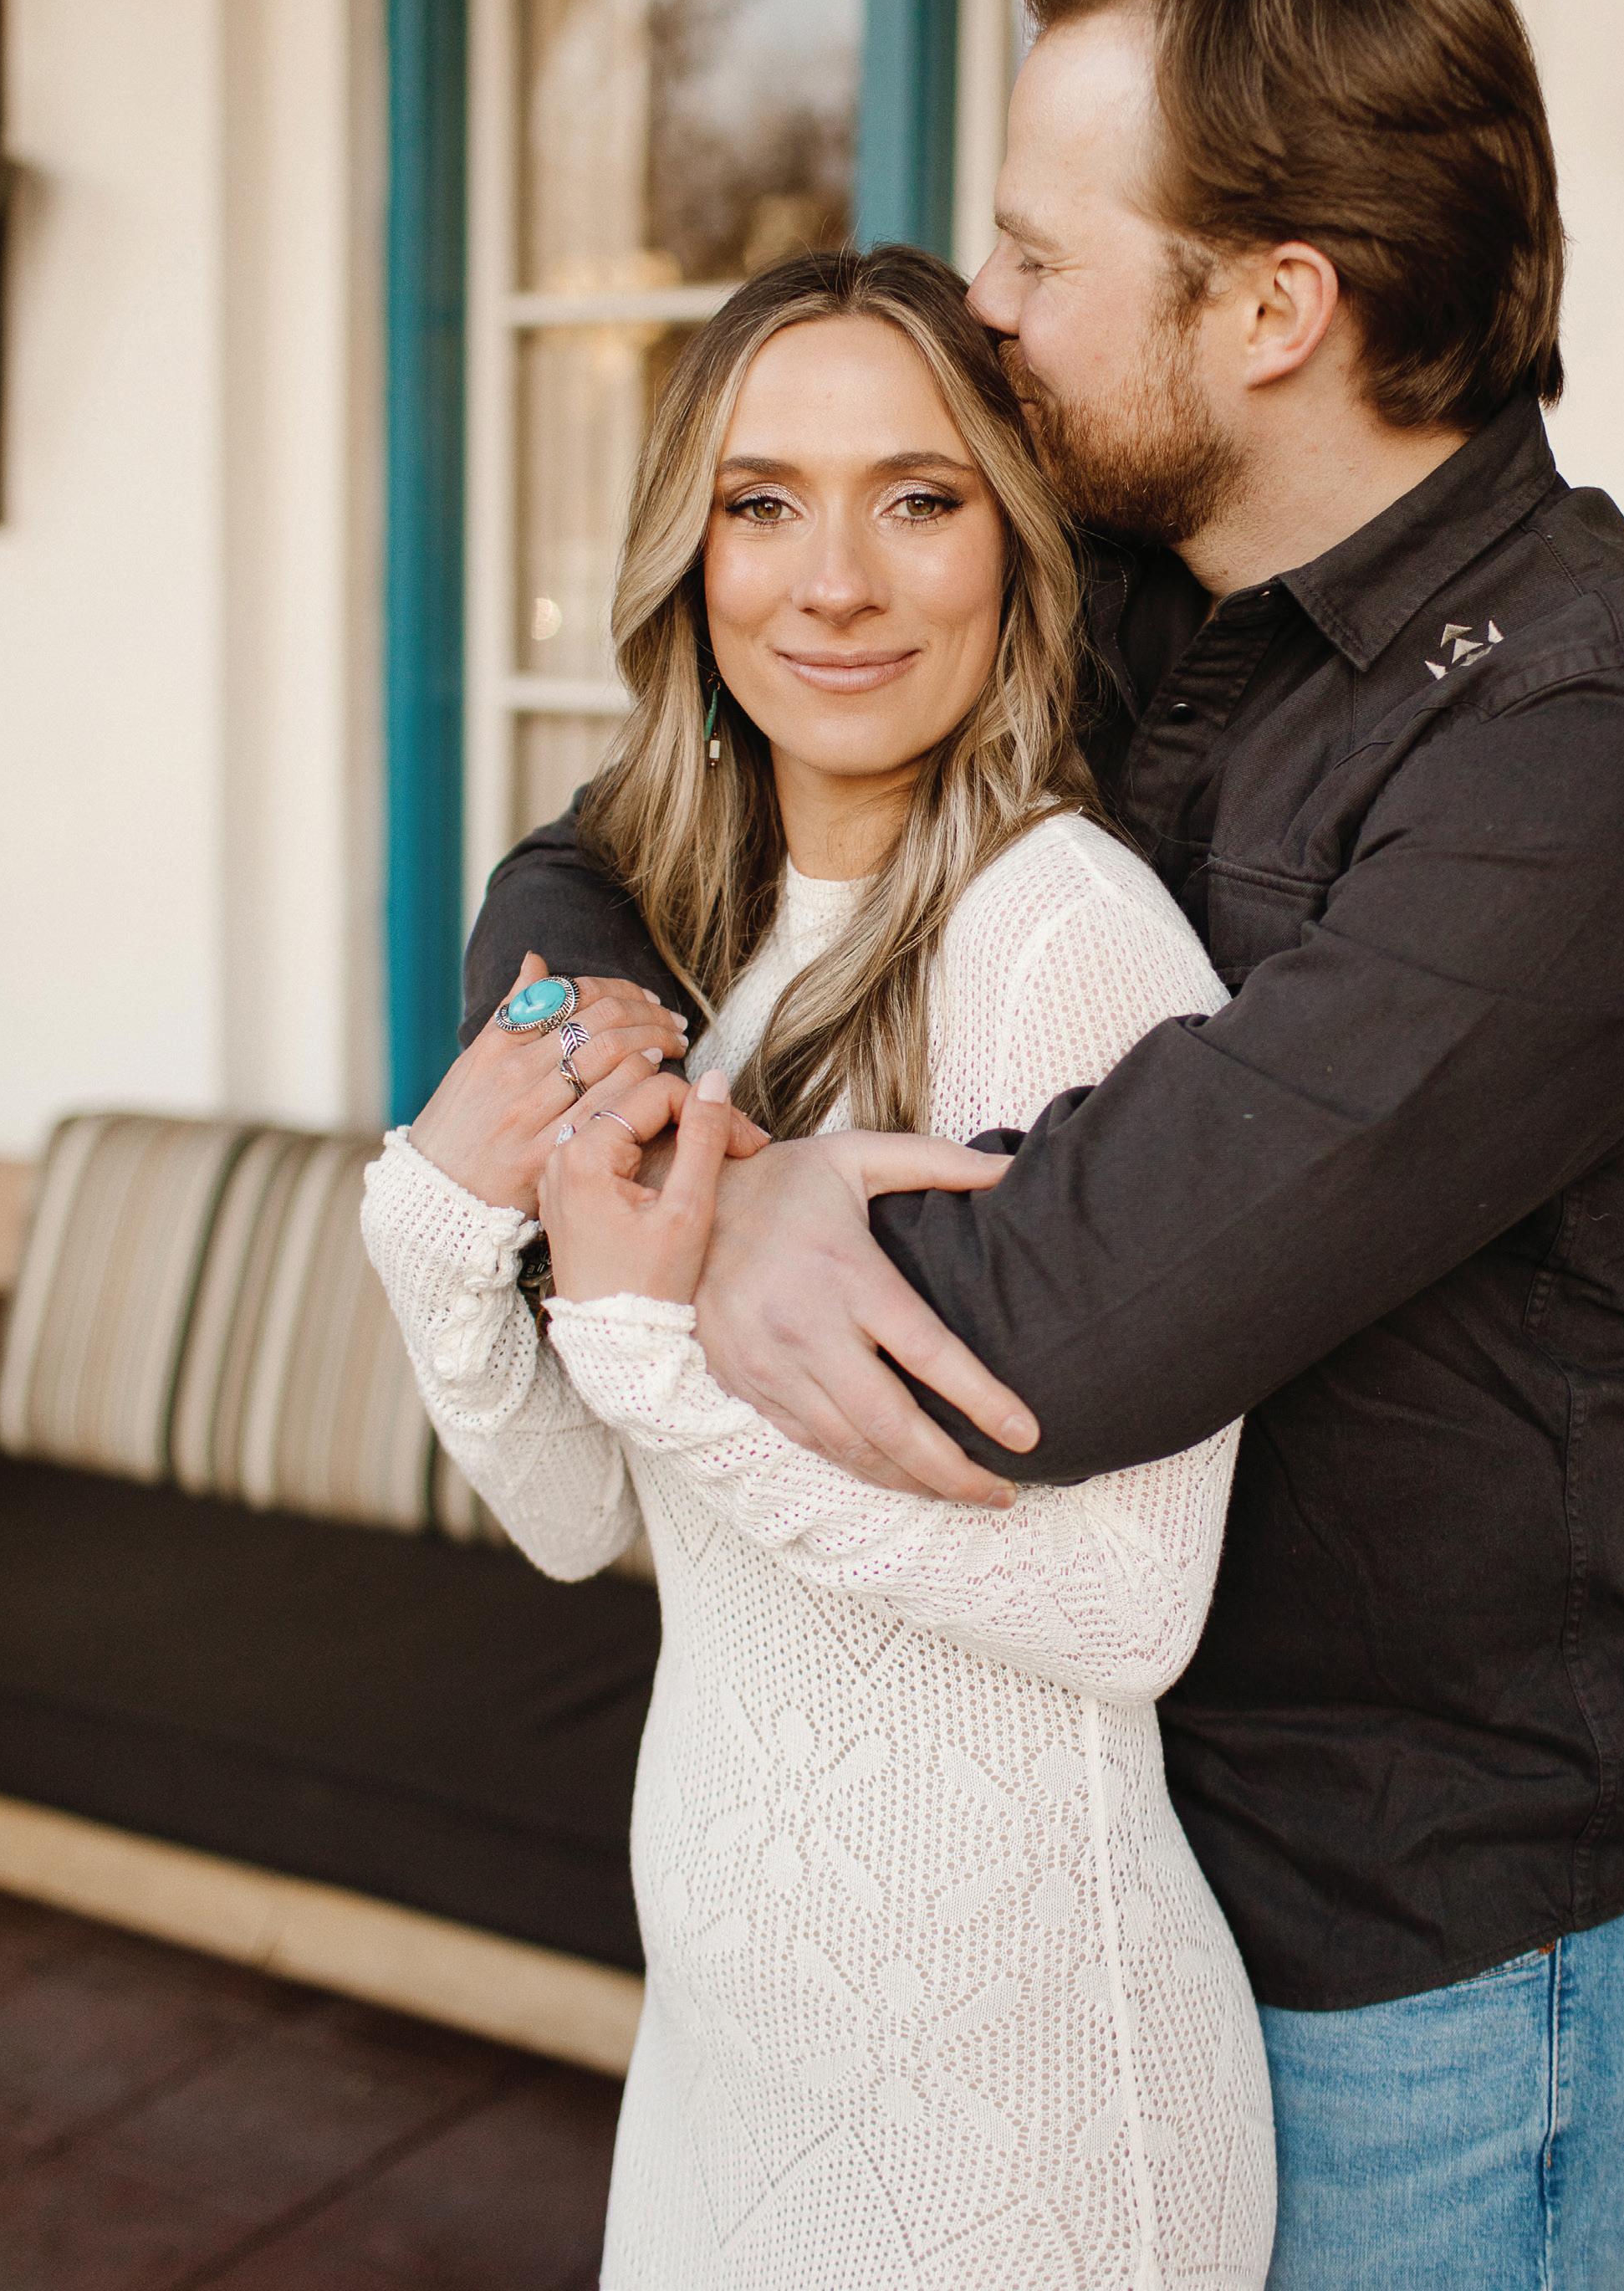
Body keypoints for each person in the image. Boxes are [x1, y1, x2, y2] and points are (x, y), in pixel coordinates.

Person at [470, 0, 1624, 2288]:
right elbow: (605, 853)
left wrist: (692, 1203)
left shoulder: (1592, 741)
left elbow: (1062, 1321)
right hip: (1081, 1865)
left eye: (1035, 254)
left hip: (1413, 1941)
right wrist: (608, 1080)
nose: (979, 306)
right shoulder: (1139, 592)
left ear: (1269, 308)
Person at [363, 248, 1275, 2291]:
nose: (833, 582)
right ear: (690, 561)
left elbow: (1129, 1607)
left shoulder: (1066, 942)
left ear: (1014, 549)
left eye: (918, 499)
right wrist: (434, 1227)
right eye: (762, 502)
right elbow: (575, 1513)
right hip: (726, 2049)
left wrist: (655, 1355)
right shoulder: (717, 945)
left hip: (1013, 2095)